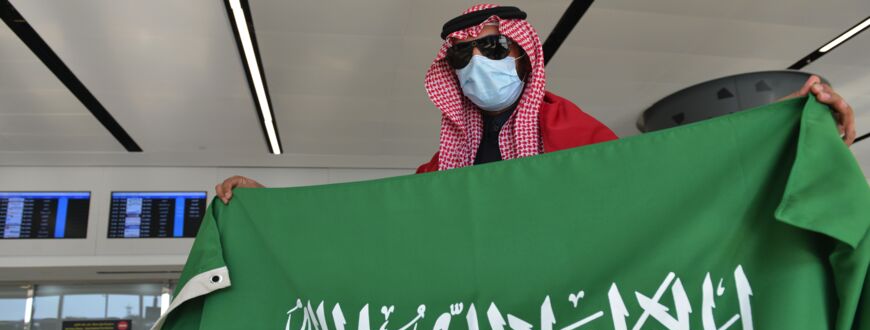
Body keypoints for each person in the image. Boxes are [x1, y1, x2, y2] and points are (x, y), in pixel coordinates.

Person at [216, 4, 857, 203]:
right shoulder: (448, 161)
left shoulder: (570, 130)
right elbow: (380, 220)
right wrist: (272, 210)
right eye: (461, 58)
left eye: (493, 49)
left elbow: (669, 181)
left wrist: (794, 137)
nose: (477, 67)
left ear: (524, 56)